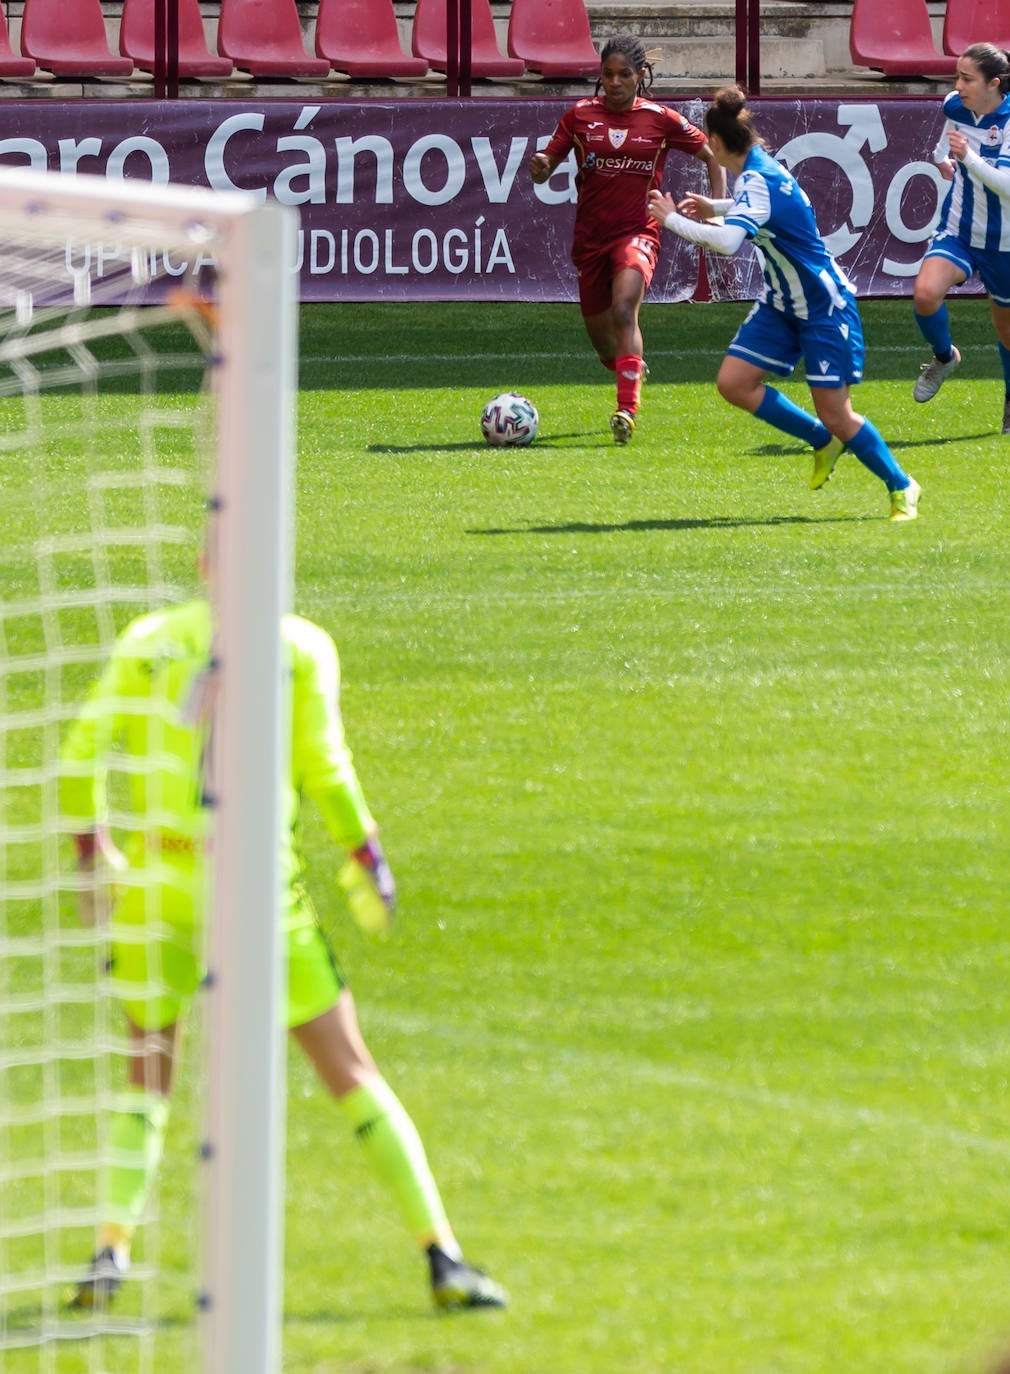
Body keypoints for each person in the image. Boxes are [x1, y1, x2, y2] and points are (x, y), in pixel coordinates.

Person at [59, 597, 507, 1314]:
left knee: (146, 1074)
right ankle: (441, 1257)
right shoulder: (301, 649)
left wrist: (92, 852)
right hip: (257, 893)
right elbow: (327, 771)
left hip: (159, 890)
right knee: (349, 1066)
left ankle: (111, 1249)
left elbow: (80, 754)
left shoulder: (151, 639)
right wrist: (366, 855)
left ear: (208, 562)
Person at [647, 85, 921, 522]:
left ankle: (901, 485)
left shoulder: (757, 178)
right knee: (734, 383)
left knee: (837, 413)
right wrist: (716, 204)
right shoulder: (759, 171)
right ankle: (822, 441)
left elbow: (729, 241)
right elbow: (766, 209)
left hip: (822, 306)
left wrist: (672, 220)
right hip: (782, 302)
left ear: (715, 143)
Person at [527, 34, 726, 446]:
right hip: (590, 240)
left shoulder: (660, 118)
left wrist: (717, 210)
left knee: (624, 312)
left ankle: (626, 412)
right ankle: (630, 366)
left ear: (641, 76)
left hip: (639, 231)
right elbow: (547, 164)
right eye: (608, 74)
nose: (615, 82)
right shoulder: (580, 115)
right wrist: (541, 166)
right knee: (607, 347)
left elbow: (711, 157)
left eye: (624, 74)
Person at [911, 43, 1010, 436]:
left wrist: (968, 159)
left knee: (1009, 331)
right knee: (925, 294)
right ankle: (945, 357)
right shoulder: (955, 105)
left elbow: (1008, 185)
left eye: (967, 78)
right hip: (959, 227)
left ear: (994, 83)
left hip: (1005, 240)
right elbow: (945, 142)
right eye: (957, 76)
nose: (957, 85)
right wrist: (942, 159)